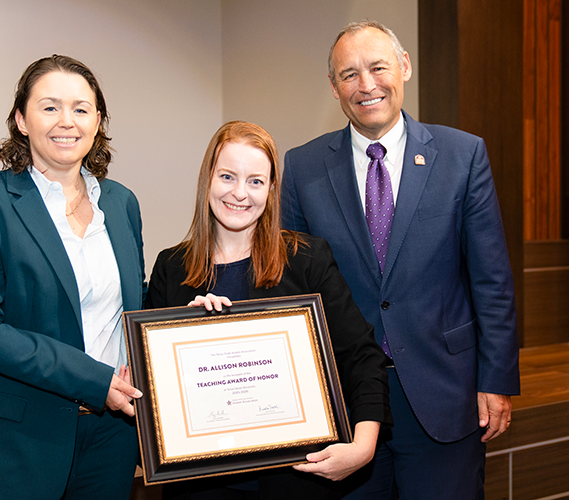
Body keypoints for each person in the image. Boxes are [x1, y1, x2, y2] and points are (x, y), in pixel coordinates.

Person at [280, 20, 520, 499]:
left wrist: (496, 380)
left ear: (404, 67)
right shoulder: (303, 166)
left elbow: (491, 279)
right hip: (345, 403)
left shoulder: (462, 154)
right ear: (333, 87)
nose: (366, 85)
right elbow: (290, 288)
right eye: (349, 74)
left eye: (378, 67)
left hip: (446, 395)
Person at [146, 121, 392, 500]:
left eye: (256, 181)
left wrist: (363, 446)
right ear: (207, 179)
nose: (240, 193)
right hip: (201, 485)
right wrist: (187, 329)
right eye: (228, 176)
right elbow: (151, 389)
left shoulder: (306, 259)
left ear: (272, 190)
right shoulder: (171, 268)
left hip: (295, 480)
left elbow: (361, 356)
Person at [0, 55, 145, 500]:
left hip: (112, 435)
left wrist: (185, 324)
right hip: (16, 439)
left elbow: (129, 305)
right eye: (49, 107)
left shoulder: (122, 202)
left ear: (99, 121)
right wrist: (92, 380)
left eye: (81, 108)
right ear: (21, 120)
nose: (66, 121)